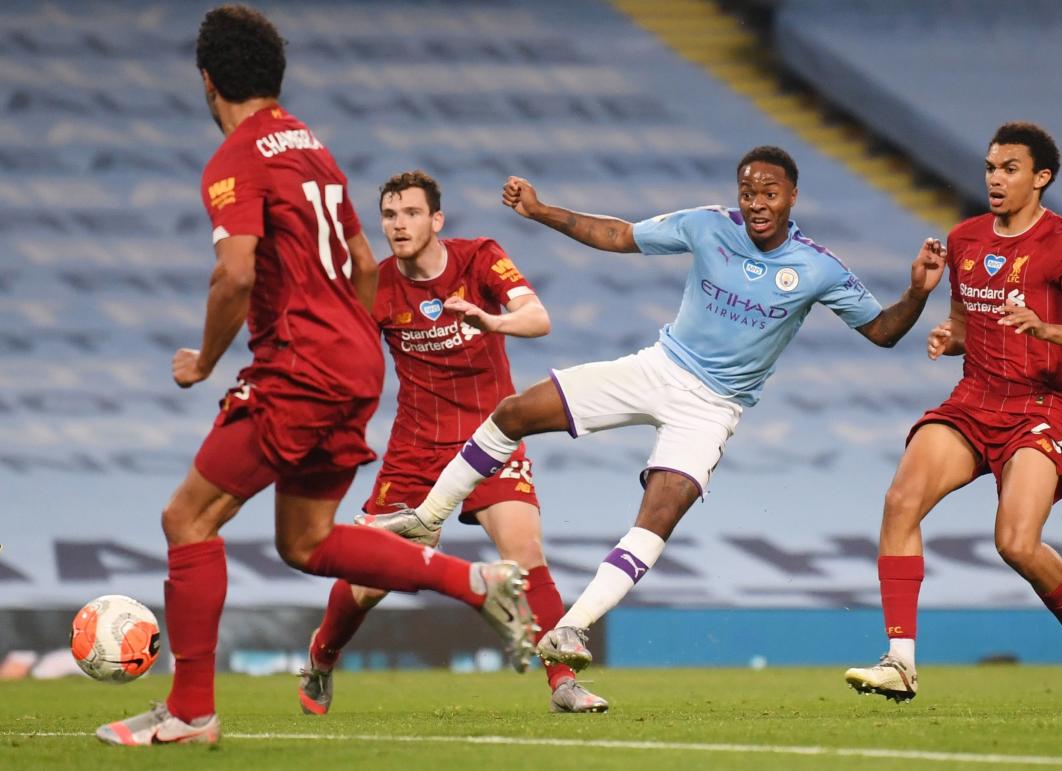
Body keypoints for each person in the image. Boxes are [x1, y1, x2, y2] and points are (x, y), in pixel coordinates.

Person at [97, 6, 535, 746]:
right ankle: (473, 580)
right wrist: (349, 346)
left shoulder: (238, 157)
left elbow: (234, 274)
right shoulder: (314, 148)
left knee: (187, 519)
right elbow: (365, 264)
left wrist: (205, 361)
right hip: (353, 363)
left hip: (303, 366)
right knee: (306, 541)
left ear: (208, 82)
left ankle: (192, 710)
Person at [365, 145, 947, 672]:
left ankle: (571, 628)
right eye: (748, 193)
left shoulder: (818, 267)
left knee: (656, 517)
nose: (757, 204)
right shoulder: (708, 225)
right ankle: (431, 516)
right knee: (516, 411)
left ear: (792, 196)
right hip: (657, 368)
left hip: (712, 409)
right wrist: (541, 211)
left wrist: (918, 292)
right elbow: (619, 235)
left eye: (769, 194)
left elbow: (881, 331)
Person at [297, 170, 608, 715]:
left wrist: (492, 321)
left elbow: (538, 318)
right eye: (390, 215)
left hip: (492, 438)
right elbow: (342, 358)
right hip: (416, 448)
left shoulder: (480, 257)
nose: (399, 225)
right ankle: (322, 657)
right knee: (369, 583)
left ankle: (562, 682)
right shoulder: (373, 283)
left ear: (436, 220)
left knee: (525, 554)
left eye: (411, 213)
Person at [844, 122, 1062, 712]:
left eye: (1010, 169)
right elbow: (969, 327)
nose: (995, 180)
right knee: (901, 502)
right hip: (974, 400)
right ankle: (900, 661)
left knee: (1016, 543)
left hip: (1038, 408)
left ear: (1041, 178)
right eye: (990, 168)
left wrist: (1046, 327)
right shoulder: (965, 239)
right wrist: (947, 331)